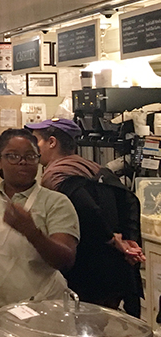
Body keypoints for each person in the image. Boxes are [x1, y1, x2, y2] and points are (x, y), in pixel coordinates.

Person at [26, 118, 145, 314]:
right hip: (114, 270)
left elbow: (89, 210)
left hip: (86, 271)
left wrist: (113, 240)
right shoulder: (94, 168)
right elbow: (131, 200)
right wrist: (129, 240)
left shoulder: (57, 175)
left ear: (52, 142)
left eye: (36, 141)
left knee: (86, 333)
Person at [0, 128, 79, 308]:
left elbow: (66, 260)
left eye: (30, 156)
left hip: (41, 306)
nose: (22, 163)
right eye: (13, 156)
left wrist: (32, 233)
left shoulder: (56, 202)